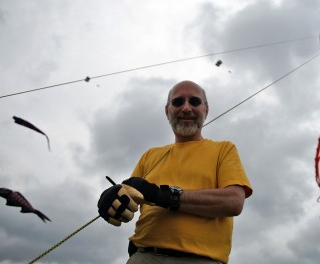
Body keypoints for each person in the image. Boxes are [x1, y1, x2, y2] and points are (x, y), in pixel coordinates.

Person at [97, 80, 253, 264]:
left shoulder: (224, 149)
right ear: (167, 111)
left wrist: (162, 195)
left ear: (206, 110)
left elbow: (233, 201)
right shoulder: (150, 155)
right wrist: (110, 200)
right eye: (178, 102)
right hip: (142, 257)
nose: (186, 108)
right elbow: (128, 197)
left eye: (194, 102)